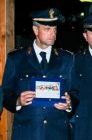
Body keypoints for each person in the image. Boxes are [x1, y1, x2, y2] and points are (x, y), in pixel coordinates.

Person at [2, 8, 73, 140]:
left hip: (57, 133)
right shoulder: (16, 58)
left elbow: (75, 91)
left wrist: (70, 104)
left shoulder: (67, 58)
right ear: (35, 30)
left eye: (55, 29)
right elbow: (5, 93)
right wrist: (17, 101)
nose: (53, 34)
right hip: (27, 133)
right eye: (47, 29)